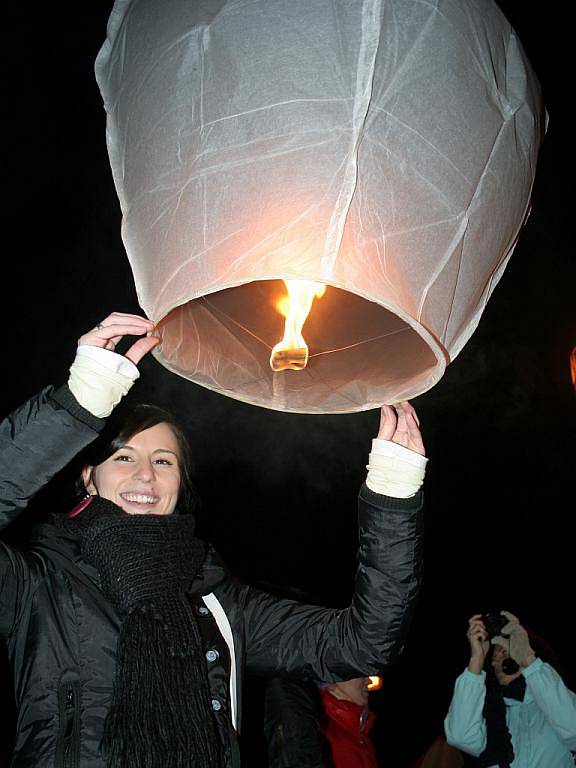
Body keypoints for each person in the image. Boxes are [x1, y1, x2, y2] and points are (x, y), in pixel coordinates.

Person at [0, 311, 427, 768]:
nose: (146, 474)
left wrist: (393, 491)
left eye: (164, 462)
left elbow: (363, 643)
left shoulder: (216, 599)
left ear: (180, 483)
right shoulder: (39, 582)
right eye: (124, 457)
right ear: (89, 478)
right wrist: (78, 400)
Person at [444, 612, 576, 768]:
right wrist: (476, 660)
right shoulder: (490, 713)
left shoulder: (556, 703)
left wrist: (527, 658)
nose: (501, 655)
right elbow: (460, 737)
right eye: (496, 654)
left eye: (508, 650)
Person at [264, 674, 379, 768]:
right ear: (333, 678)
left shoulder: (359, 732)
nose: (369, 682)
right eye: (361, 675)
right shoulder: (316, 727)